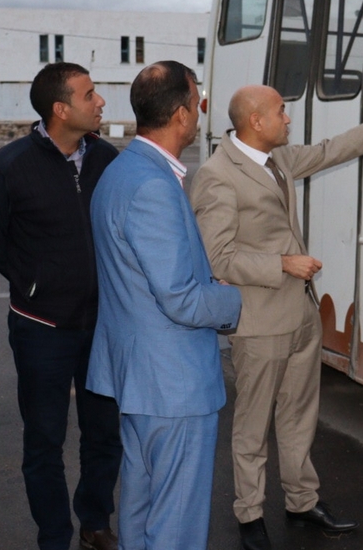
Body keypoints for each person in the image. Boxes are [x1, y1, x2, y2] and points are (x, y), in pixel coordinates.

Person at [189, 84, 363, 550]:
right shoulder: (216, 176)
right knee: (252, 428)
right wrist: (282, 265)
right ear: (255, 121)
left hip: (300, 314)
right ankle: (249, 517)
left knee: (298, 418)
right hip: (258, 322)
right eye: (281, 112)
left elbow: (329, 152)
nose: (288, 119)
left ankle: (302, 501)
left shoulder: (278, 159)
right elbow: (217, 257)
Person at [86, 61, 242, 550]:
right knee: (174, 523)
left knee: (141, 506)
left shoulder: (123, 170)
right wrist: (233, 297)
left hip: (140, 379)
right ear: (181, 114)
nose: (201, 109)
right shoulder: (153, 184)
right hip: (173, 384)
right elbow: (180, 299)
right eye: (198, 100)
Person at [0, 62, 122, 550]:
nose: (100, 101)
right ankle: (54, 536)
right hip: (42, 327)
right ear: (61, 110)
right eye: (89, 94)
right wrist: (34, 283)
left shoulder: (107, 158)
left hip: (102, 324)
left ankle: (95, 519)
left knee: (104, 433)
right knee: (44, 440)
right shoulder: (9, 164)